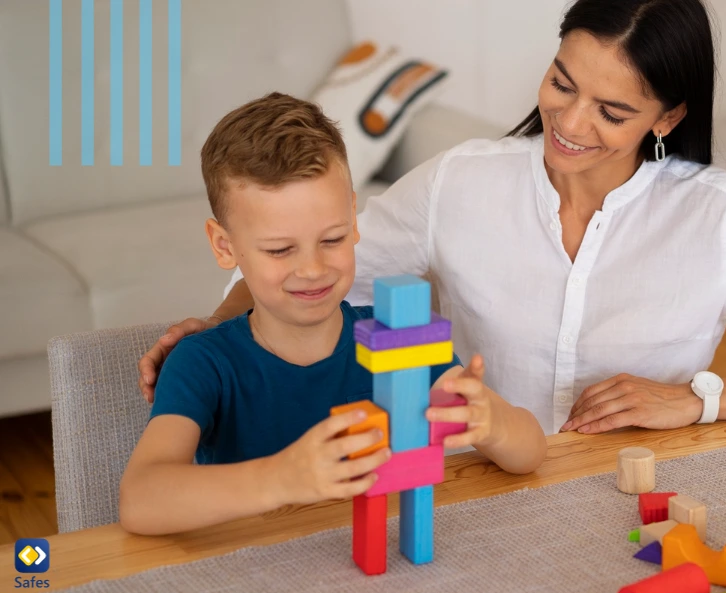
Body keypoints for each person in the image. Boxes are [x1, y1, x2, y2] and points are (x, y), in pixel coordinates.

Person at [138, 0, 726, 440]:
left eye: (611, 110)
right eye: (561, 83)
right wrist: (221, 325)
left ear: (667, 115)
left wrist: (699, 400)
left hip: (642, 494)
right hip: (484, 481)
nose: (568, 122)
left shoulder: (716, 216)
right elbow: (318, 264)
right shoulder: (466, 181)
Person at [119, 93, 546, 536]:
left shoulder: (398, 335)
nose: (313, 269)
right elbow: (140, 499)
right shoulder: (204, 363)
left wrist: (492, 422)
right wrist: (284, 477)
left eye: (333, 239)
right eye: (281, 249)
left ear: (354, 220)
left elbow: (530, 453)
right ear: (225, 246)